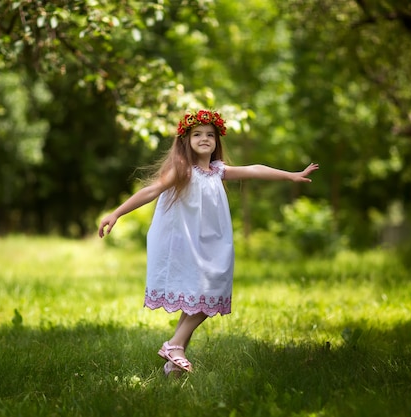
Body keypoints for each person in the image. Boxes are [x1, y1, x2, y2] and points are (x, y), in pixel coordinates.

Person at [98, 109, 319, 376]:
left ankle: (173, 362)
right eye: (198, 134)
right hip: (186, 242)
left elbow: (253, 169)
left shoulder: (217, 171)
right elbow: (151, 190)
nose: (205, 139)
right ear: (186, 140)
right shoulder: (183, 171)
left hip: (214, 244)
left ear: (217, 141)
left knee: (203, 297)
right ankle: (175, 346)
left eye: (210, 135)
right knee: (205, 297)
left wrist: (291, 175)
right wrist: (117, 213)